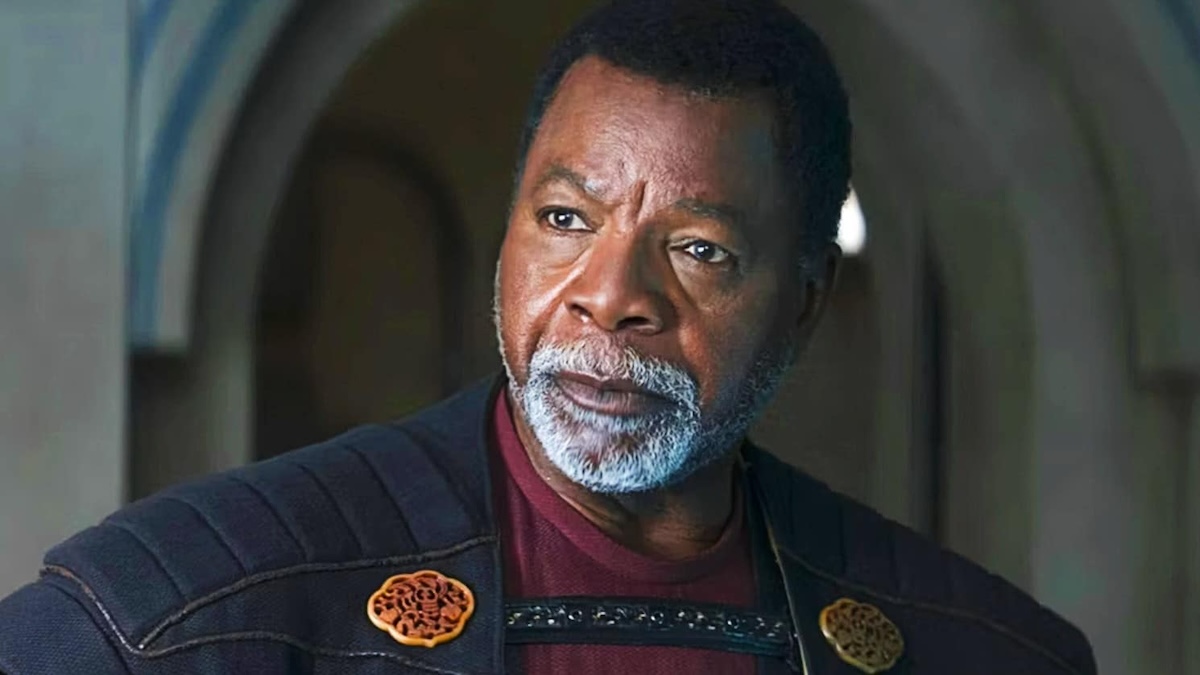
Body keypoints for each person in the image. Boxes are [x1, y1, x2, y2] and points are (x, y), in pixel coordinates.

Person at [0, 1, 1096, 673]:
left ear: (805, 299)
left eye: (699, 248)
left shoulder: (973, 645)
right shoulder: (193, 603)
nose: (609, 297)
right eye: (566, 220)